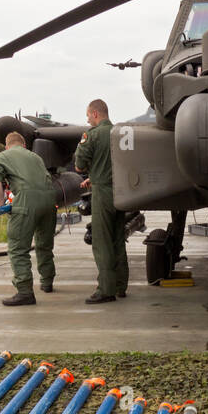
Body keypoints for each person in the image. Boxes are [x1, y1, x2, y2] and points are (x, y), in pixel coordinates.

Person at [0, 131, 57, 306]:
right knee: (44, 244)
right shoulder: (36, 157)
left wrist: (0, 204)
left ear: (7, 146)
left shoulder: (2, 156)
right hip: (50, 200)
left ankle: (25, 291)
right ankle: (47, 281)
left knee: (18, 248)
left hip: (27, 201)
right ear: (24, 145)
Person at [73, 99, 125, 303]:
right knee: (118, 238)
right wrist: (93, 177)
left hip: (102, 193)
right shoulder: (120, 133)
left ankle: (106, 289)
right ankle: (121, 286)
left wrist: (93, 175)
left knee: (102, 241)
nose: (87, 119)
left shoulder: (92, 135)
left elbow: (78, 165)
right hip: (122, 192)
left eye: (87, 115)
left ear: (95, 114)